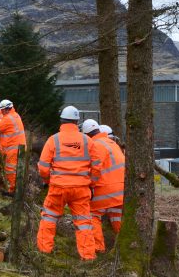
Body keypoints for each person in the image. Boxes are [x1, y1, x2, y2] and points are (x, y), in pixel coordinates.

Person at [37, 106, 103, 260]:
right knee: (84, 223)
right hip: (81, 189)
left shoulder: (53, 140)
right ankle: (88, 256)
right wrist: (91, 183)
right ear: (76, 122)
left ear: (62, 121)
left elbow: (43, 167)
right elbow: (97, 166)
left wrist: (48, 181)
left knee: (49, 218)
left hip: (58, 188)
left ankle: (43, 252)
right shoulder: (87, 141)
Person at [82, 120, 125, 252]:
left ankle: (98, 248)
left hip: (106, 190)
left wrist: (89, 184)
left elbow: (95, 169)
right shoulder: (112, 143)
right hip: (121, 191)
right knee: (116, 216)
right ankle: (124, 247)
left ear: (87, 135)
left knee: (92, 214)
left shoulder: (96, 145)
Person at [0, 99, 26, 196]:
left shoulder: (7, 119)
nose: (1, 112)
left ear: (6, 109)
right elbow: (3, 123)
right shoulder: (15, 115)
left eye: (2, 110)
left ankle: (13, 191)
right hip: (17, 147)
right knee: (15, 170)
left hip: (13, 148)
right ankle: (14, 189)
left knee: (11, 170)